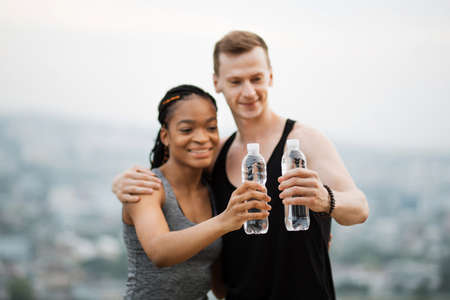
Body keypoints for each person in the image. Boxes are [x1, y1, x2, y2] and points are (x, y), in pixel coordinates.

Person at [113, 31, 369, 300]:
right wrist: (119, 183)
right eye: (235, 81)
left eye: (256, 78)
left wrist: (325, 199)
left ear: (270, 76)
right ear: (217, 82)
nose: (248, 92)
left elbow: (359, 208)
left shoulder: (304, 140)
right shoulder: (216, 154)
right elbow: (169, 177)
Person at [121, 84, 271, 299]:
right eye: (187, 130)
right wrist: (224, 221)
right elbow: (159, 251)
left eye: (211, 128)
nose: (202, 138)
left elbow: (219, 285)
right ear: (165, 136)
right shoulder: (146, 187)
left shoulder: (212, 191)